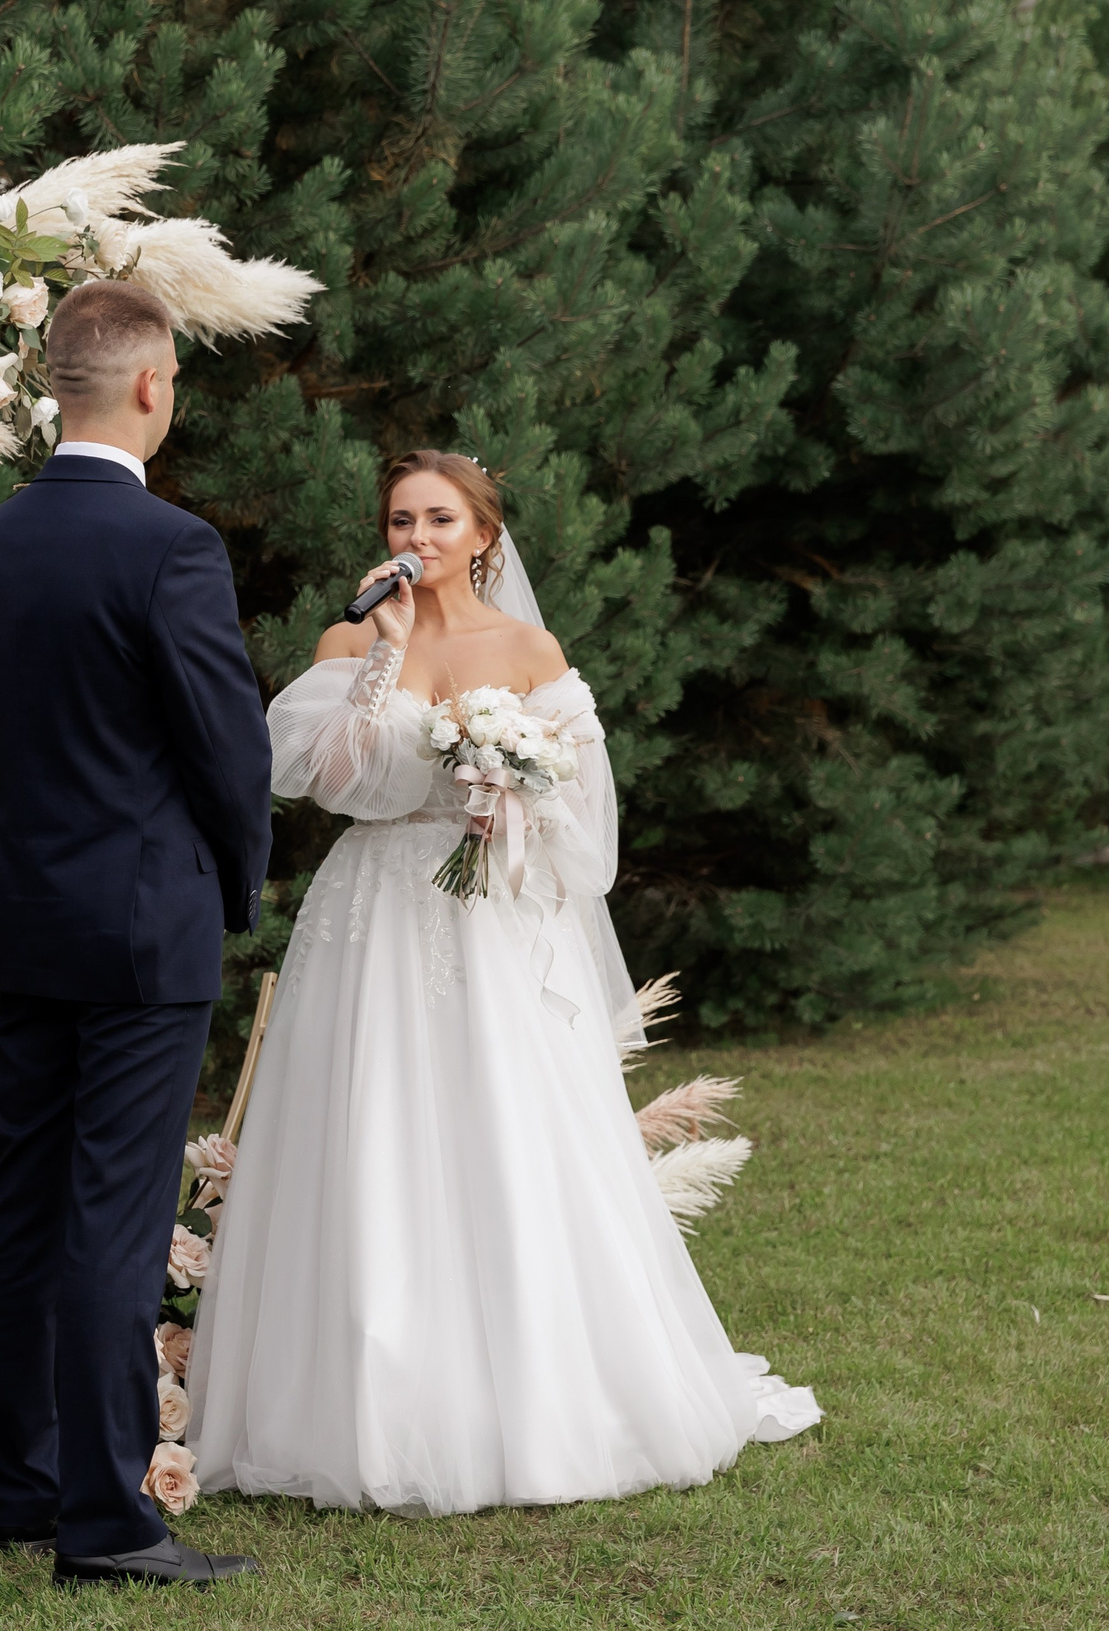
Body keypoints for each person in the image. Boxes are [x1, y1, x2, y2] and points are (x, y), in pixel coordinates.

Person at [185, 449, 819, 1515]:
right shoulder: (349, 638)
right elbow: (323, 781)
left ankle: (536, 1393)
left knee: (503, 1121)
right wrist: (385, 658)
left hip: (491, 915)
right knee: (367, 1120)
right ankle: (358, 1397)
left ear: (483, 535)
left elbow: (586, 819)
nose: (417, 538)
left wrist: (510, 796)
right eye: (400, 520)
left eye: (439, 519)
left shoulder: (528, 650)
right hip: (373, 910)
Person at [0, 279, 273, 1586]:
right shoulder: (170, 548)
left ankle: (25, 1484)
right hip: (144, 918)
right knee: (116, 1218)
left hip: (28, 904)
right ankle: (107, 1519)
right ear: (149, 386)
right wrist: (235, 887)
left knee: (30, 1194)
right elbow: (227, 749)